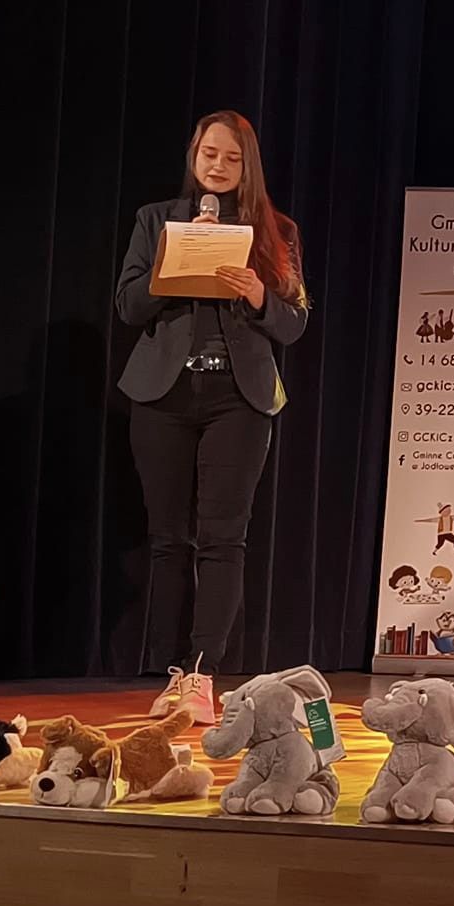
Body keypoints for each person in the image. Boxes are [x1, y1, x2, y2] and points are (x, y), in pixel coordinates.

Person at [116, 110, 309, 671]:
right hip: (164, 394)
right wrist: (170, 268)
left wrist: (258, 295)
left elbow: (294, 323)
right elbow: (127, 306)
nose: (218, 166)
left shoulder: (277, 231)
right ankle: (165, 667)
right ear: (193, 155)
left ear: (248, 165)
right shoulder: (157, 220)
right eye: (209, 154)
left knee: (224, 537)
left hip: (238, 398)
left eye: (231, 157)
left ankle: (202, 670)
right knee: (167, 537)